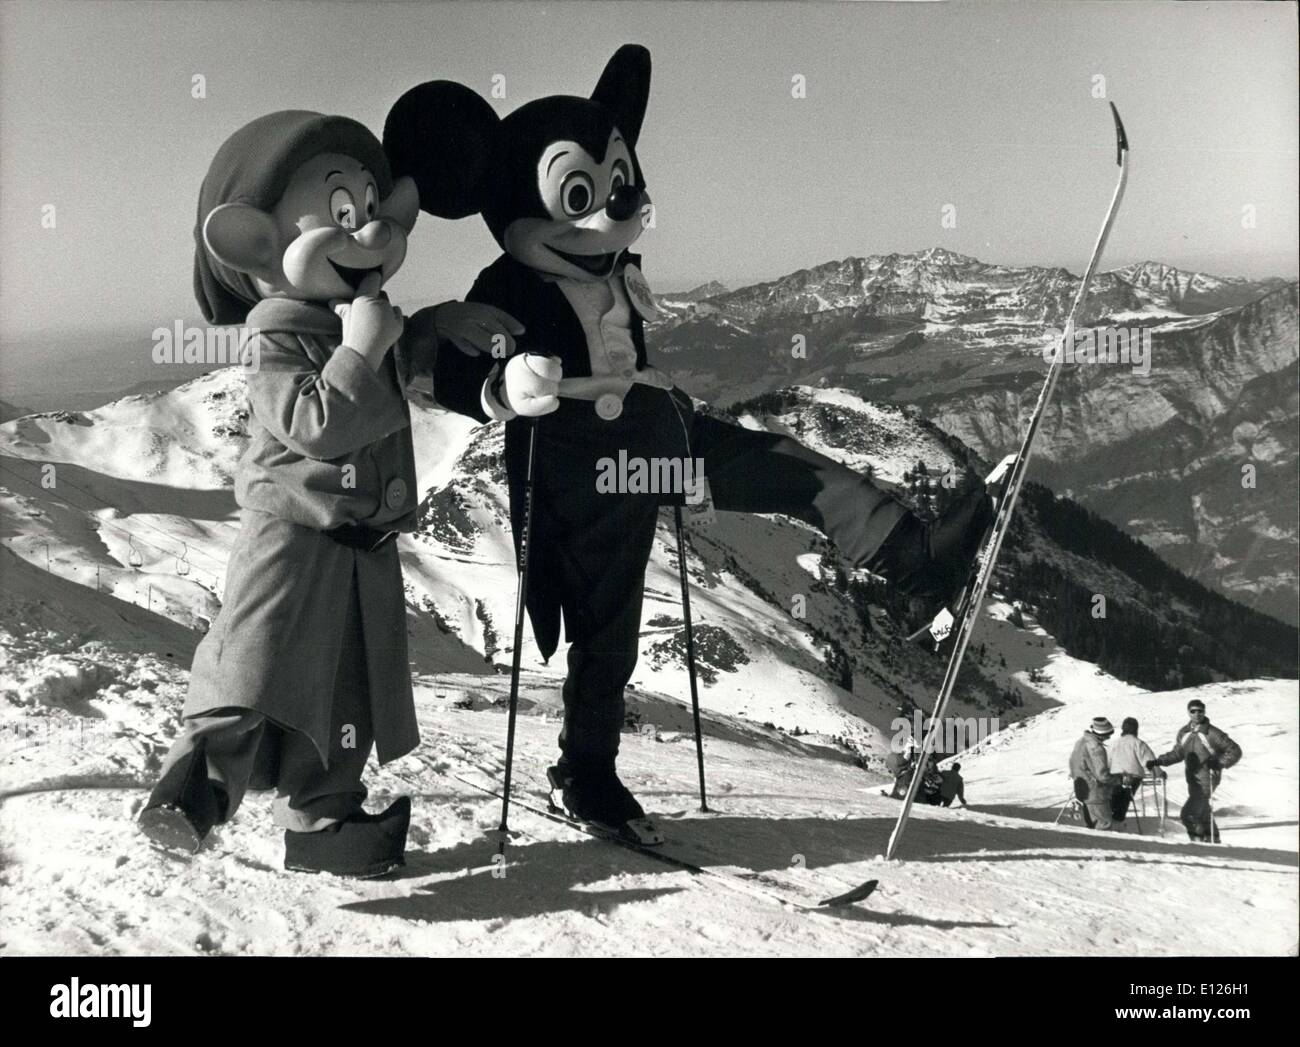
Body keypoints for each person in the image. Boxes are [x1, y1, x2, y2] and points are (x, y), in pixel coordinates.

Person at [383, 45, 994, 839]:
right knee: (610, 621)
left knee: (784, 469)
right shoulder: (510, 287)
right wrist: (497, 389)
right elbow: (451, 370)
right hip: (583, 466)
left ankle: (912, 556)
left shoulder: (610, 268)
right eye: (581, 191)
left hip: (650, 438)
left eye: (617, 184)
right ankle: (589, 768)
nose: (612, 206)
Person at [137, 111, 522, 877]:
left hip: (363, 547)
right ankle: (191, 794)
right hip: (290, 535)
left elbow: (399, 355)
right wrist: (361, 346)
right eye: (343, 215)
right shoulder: (276, 333)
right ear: (256, 244)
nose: (371, 235)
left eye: (372, 213)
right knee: (252, 664)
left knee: (351, 693)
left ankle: (325, 822)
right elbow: (314, 423)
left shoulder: (352, 319)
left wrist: (440, 326)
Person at [1148, 699, 1242, 843]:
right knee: (1203, 812)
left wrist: (1218, 762)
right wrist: (1159, 761)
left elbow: (1235, 751)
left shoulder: (1212, 733)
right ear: (1188, 713)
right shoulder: (1184, 732)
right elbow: (1178, 753)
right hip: (1192, 779)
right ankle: (1214, 843)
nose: (1197, 714)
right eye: (1193, 711)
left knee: (1189, 814)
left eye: (1200, 711)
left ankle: (1199, 844)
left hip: (1207, 779)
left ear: (1204, 712)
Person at [1068, 717, 1120, 830]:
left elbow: (1072, 762)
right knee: (1103, 826)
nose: (1109, 737)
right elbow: (1102, 775)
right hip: (1095, 792)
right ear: (1102, 734)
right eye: (1108, 734)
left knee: (1092, 825)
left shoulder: (1081, 741)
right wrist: (1118, 779)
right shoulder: (1096, 748)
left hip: (1082, 790)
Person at [1108, 716, 1160, 822]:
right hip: (1133, 777)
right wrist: (1158, 772)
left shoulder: (1114, 743)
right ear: (1136, 729)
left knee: (1114, 799)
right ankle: (1118, 820)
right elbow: (1149, 761)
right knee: (1124, 799)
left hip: (1115, 776)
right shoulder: (1138, 743)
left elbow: (1107, 761)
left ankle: (1112, 819)